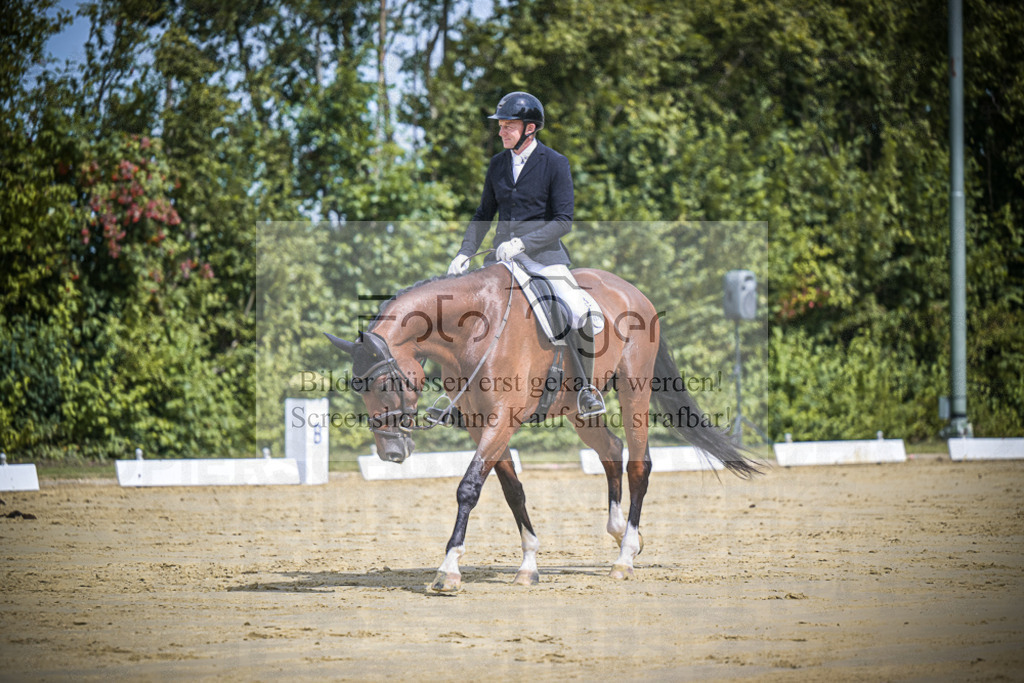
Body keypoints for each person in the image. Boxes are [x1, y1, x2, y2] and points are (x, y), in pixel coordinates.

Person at [447, 91, 606, 417]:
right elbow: (483, 214)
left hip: (544, 257)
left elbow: (563, 221)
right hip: (501, 260)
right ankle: (458, 395)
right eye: (501, 126)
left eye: (508, 126)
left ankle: (586, 391)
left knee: (579, 311)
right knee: (462, 309)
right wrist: (465, 253)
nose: (502, 132)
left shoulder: (555, 163)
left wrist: (523, 244)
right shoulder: (497, 165)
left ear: (530, 128)